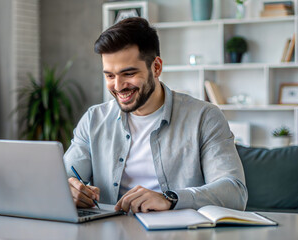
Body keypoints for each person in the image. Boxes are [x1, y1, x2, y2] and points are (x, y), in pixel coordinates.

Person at [64, 17, 247, 213]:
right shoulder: (94, 119)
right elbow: (63, 178)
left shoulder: (205, 117)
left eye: (128, 74)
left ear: (156, 67)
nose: (117, 86)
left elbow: (234, 193)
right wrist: (69, 189)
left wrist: (170, 199)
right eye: (110, 75)